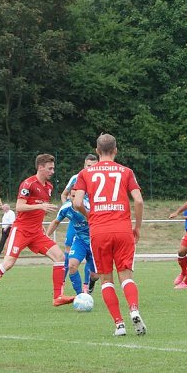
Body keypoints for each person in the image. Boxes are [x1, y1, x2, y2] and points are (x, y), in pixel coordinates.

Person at [0, 154, 74, 311]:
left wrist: (40, 222)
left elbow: (38, 207)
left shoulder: (49, 187)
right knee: (8, 263)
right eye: (50, 168)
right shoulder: (28, 183)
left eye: (53, 168)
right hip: (22, 230)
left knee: (60, 257)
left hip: (37, 232)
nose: (53, 171)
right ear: (40, 167)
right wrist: (40, 207)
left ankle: (58, 297)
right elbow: (19, 206)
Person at [72, 134, 146, 336]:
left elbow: (77, 203)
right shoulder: (126, 171)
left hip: (99, 230)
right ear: (115, 150)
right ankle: (134, 309)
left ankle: (119, 325)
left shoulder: (85, 174)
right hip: (122, 229)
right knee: (126, 275)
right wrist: (137, 227)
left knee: (106, 279)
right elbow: (138, 201)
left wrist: (91, 216)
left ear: (97, 151)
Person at [46, 191, 99, 296]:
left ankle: (91, 283)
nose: (74, 198)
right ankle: (81, 296)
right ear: (69, 196)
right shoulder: (66, 208)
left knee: (95, 275)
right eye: (72, 196)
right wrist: (46, 236)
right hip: (80, 241)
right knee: (72, 266)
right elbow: (56, 222)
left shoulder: (89, 206)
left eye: (77, 196)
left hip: (95, 241)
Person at [60, 153, 99, 290]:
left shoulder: (99, 180)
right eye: (88, 166)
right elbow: (64, 195)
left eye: (93, 166)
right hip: (77, 222)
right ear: (84, 165)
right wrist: (70, 211)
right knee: (68, 249)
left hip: (94, 223)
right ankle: (62, 284)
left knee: (91, 253)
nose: (90, 169)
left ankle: (88, 284)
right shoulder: (76, 178)